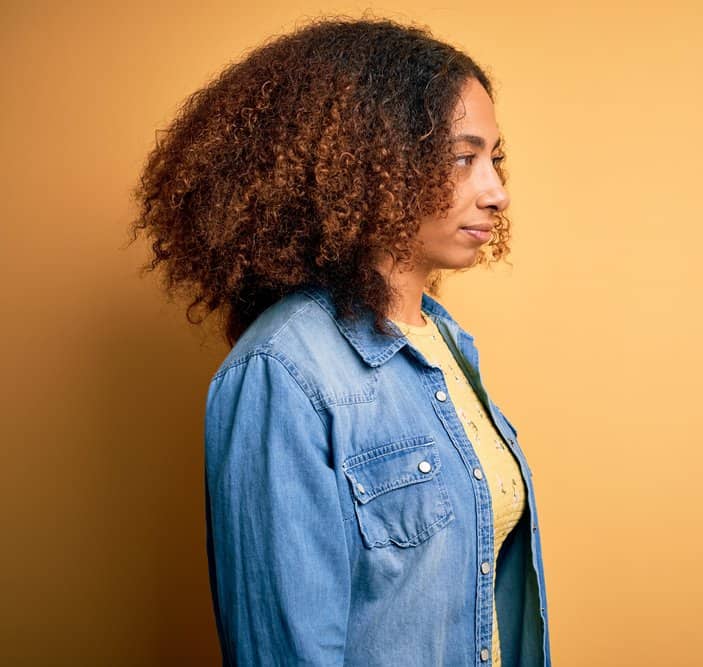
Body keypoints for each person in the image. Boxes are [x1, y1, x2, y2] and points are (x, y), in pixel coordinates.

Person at [128, 17, 551, 667]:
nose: (495, 192)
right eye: (463, 158)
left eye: (494, 159)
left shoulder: (446, 345)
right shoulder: (284, 371)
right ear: (372, 161)